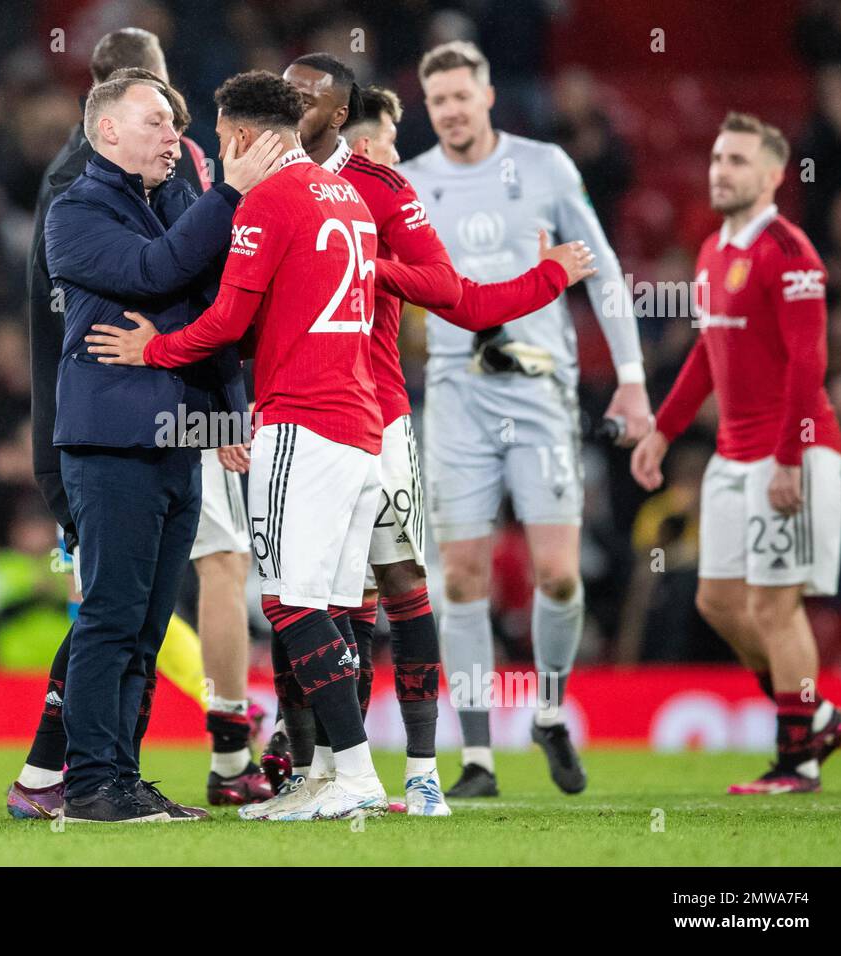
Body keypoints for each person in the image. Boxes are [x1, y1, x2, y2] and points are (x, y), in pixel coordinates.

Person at [253, 52, 595, 816]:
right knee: (305, 595)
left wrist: (542, 280)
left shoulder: (381, 187)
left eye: (305, 94)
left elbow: (456, 297)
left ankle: (421, 772)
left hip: (376, 416)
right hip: (292, 416)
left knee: (398, 582)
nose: (288, 102)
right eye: (283, 89)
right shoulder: (256, 185)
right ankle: (319, 772)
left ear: (339, 114)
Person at [89, 69, 392, 822]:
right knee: (331, 603)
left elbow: (226, 321)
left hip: (303, 417)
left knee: (289, 601)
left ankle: (354, 771)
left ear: (243, 137)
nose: (218, 152)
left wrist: (154, 350)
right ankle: (324, 772)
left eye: (221, 139)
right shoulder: (345, 194)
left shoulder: (270, 199)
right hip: (363, 421)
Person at [11, 30, 266, 821]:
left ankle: (119, 775)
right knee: (111, 619)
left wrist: (225, 410)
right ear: (107, 130)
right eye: (156, 120)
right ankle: (87, 783)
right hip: (111, 443)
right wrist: (228, 192)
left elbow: (215, 311)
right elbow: (154, 274)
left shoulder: (177, 203)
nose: (173, 134)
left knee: (148, 629)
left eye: (175, 120)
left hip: (180, 441)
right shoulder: (75, 208)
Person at [399, 41, 651, 798]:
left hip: (540, 390)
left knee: (560, 575)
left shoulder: (544, 166)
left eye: (459, 96)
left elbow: (601, 267)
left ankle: (547, 710)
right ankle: (478, 759)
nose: (448, 111)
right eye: (436, 100)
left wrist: (632, 381)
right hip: (455, 395)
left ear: (485, 96)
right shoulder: (411, 184)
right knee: (465, 577)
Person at [631, 112, 841, 793]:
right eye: (718, 158)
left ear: (774, 175)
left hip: (792, 455)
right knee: (718, 600)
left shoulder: (790, 253)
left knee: (774, 607)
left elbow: (806, 362)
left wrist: (790, 457)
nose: (721, 170)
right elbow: (708, 352)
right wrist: (663, 429)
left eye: (738, 161)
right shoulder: (712, 251)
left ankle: (799, 758)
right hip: (732, 455)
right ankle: (811, 712)